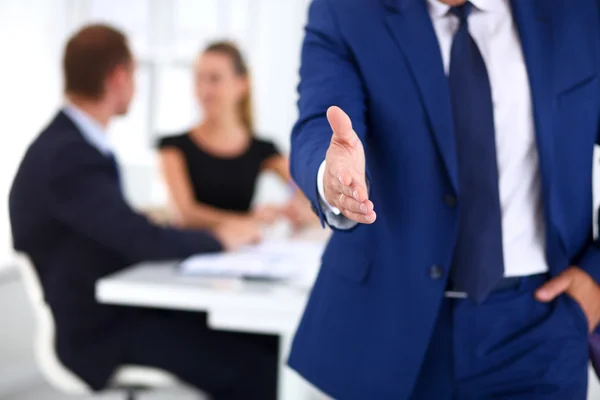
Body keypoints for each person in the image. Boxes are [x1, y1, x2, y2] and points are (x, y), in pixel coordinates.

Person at [288, 0, 600, 398]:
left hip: (541, 325)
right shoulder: (347, 11)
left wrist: (597, 274)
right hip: (390, 328)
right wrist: (329, 177)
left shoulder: (579, 11)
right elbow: (320, 119)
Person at [9, 24, 277, 399]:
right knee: (256, 369)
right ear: (119, 77)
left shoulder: (72, 142)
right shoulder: (68, 153)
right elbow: (138, 239)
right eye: (134, 74)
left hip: (117, 308)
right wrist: (219, 238)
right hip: (97, 331)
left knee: (260, 338)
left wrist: (140, 220)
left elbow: (110, 227)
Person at [157, 41, 316, 231]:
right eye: (199, 79)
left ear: (242, 84)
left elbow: (307, 192)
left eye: (215, 79)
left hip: (241, 256)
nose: (204, 90)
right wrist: (250, 219)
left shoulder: (262, 149)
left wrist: (297, 209)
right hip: (191, 254)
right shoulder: (173, 147)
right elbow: (185, 215)